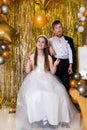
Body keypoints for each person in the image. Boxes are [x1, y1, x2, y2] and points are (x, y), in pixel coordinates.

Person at [16, 34, 82, 130]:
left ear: (46, 45)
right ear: (36, 43)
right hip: (34, 79)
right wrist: (29, 62)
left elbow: (53, 72)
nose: (40, 43)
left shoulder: (49, 57)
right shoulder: (32, 56)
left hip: (47, 78)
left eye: (43, 42)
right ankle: (37, 119)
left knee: (54, 95)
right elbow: (27, 71)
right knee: (35, 94)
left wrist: (55, 64)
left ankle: (51, 118)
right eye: (39, 41)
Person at [49, 20, 77, 91]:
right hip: (56, 63)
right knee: (56, 82)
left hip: (66, 63)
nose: (58, 29)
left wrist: (71, 65)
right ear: (53, 31)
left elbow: (71, 53)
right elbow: (42, 40)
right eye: (56, 28)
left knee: (65, 83)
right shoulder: (50, 40)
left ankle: (65, 100)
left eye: (60, 27)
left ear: (62, 28)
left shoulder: (69, 40)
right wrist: (49, 47)